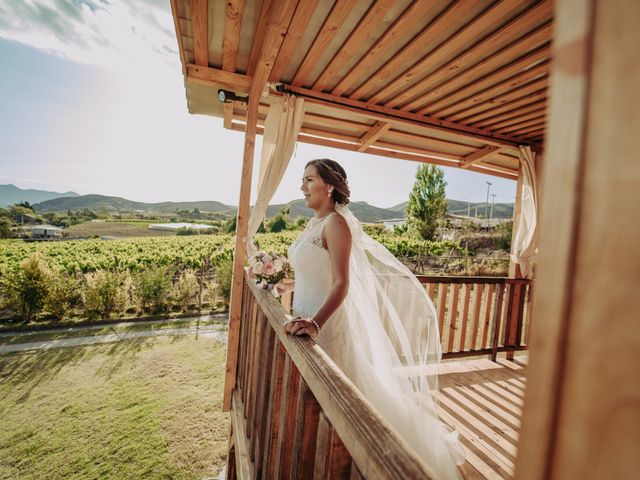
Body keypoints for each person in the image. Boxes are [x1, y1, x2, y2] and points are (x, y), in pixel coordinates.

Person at [280, 159, 464, 479]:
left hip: (325, 327)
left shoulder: (336, 224)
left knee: (335, 404)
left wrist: (316, 323)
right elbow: (316, 273)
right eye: (303, 180)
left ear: (330, 186)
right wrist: (285, 285)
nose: (302, 186)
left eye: (309, 180)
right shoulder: (313, 224)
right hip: (305, 320)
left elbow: (341, 282)